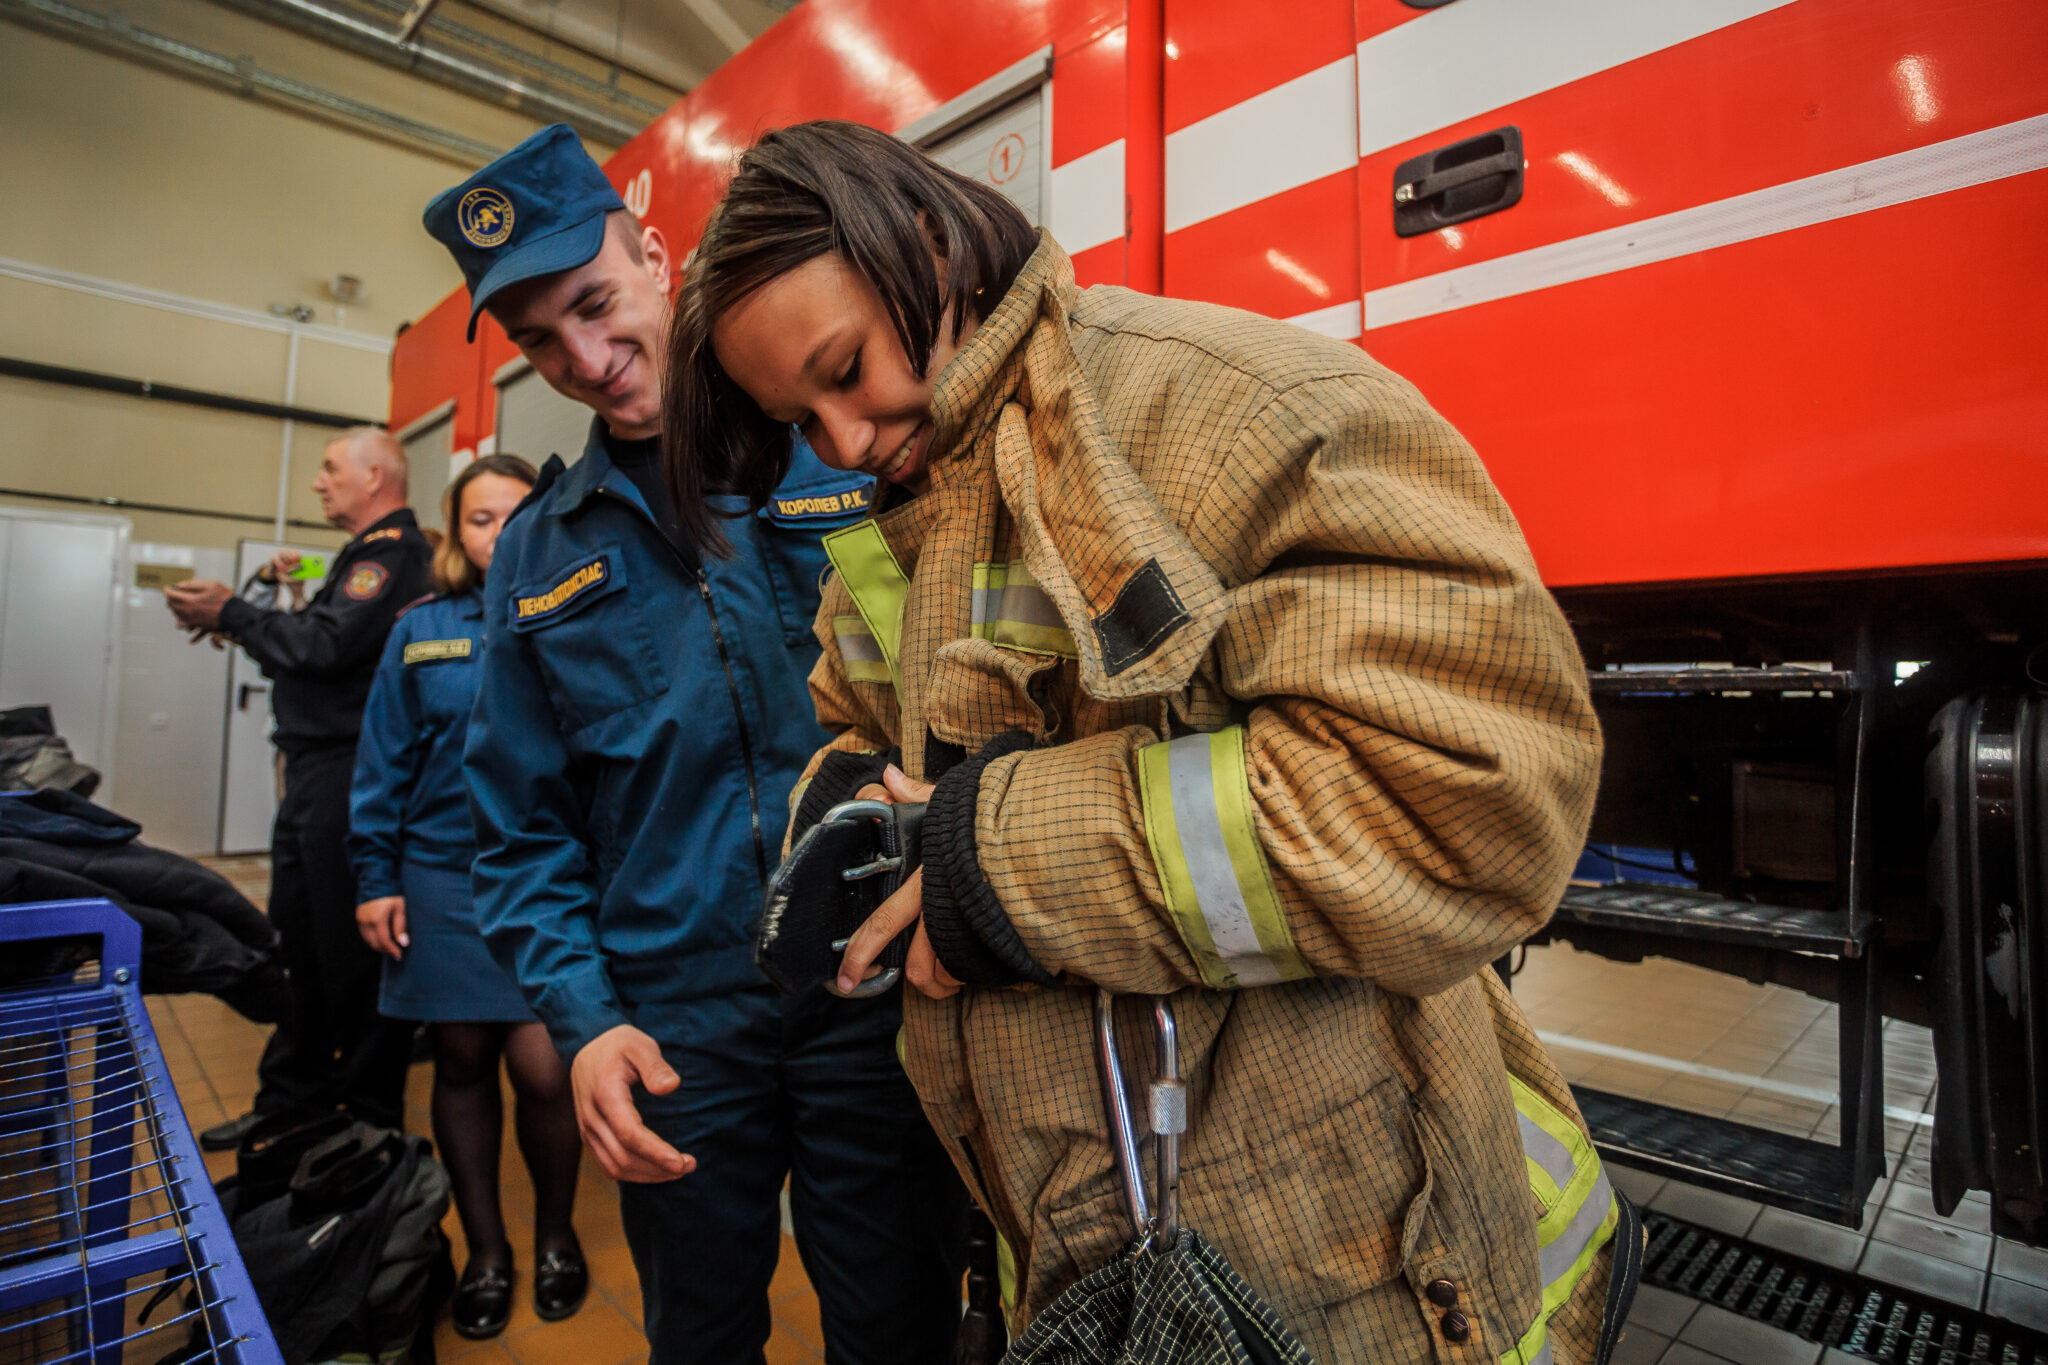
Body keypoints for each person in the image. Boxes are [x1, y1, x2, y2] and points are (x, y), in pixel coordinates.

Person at [667, 120, 1635, 1364]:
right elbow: (858, 731)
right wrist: (848, 801)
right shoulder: (893, 532)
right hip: (1096, 1256)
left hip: (1372, 1286)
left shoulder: (1237, 413)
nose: (843, 444)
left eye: (845, 369)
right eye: (800, 419)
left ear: (927, 240)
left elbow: (1465, 808)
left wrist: (994, 867)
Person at [421, 124, 968, 1365]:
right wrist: (585, 1023)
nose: (587, 358)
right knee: (701, 1334)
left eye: (596, 303)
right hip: (673, 1024)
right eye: (539, 342)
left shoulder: (841, 441)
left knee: (899, 1326)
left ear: (656, 253)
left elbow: (966, 687)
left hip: (875, 982)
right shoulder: (539, 560)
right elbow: (516, 831)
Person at [348, 454, 588, 1338]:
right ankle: (488, 1250)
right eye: (480, 519)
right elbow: (382, 764)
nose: (498, 534)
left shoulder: (573, 615)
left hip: (547, 876)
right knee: (458, 1062)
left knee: (546, 1069)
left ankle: (558, 1234)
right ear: (457, 534)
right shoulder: (421, 629)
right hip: (441, 876)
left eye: (514, 515)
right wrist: (376, 877)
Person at [166, 428, 433, 1142]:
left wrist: (233, 611)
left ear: (375, 475)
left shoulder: (392, 555)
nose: (319, 482)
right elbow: (321, 635)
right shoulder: (360, 559)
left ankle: (364, 1120)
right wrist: (263, 612)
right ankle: (290, 1101)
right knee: (302, 942)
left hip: (349, 771)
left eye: (330, 468)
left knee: (346, 949)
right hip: (315, 770)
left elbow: (321, 647)